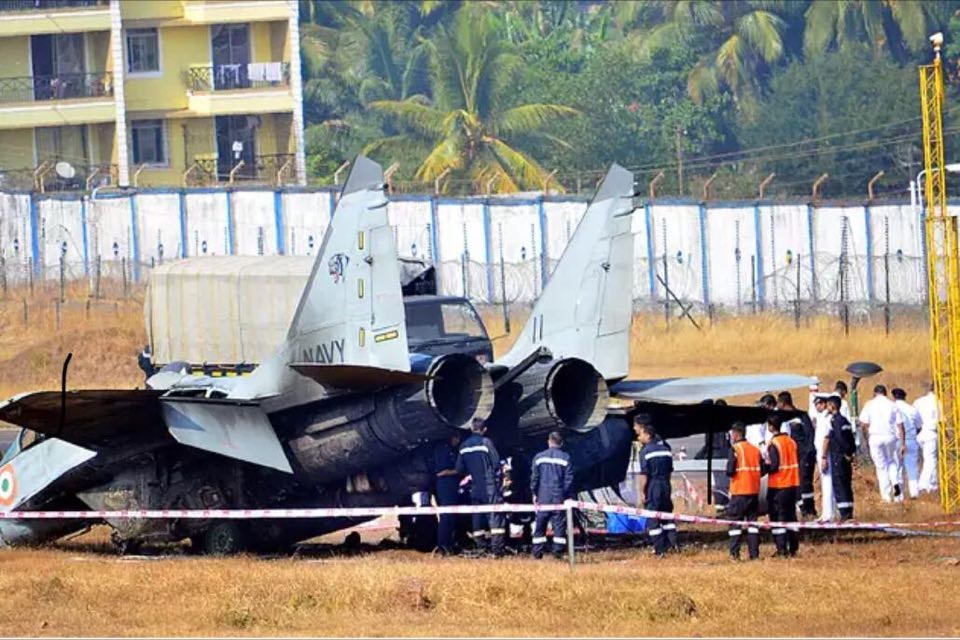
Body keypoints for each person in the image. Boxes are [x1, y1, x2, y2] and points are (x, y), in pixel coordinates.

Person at [455, 419, 506, 556]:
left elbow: (459, 468)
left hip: (475, 486)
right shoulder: (486, 442)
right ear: (484, 430)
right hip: (489, 486)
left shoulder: (463, 446)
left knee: (477, 515)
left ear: (471, 429)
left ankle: (481, 545)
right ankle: (497, 549)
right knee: (494, 515)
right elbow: (496, 463)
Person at [634, 414, 678, 556]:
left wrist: (641, 492)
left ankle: (660, 549)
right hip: (666, 484)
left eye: (639, 433)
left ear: (645, 432)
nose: (638, 437)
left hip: (653, 486)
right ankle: (672, 544)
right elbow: (670, 471)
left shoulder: (645, 452)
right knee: (667, 516)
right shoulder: (666, 449)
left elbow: (644, 474)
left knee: (653, 518)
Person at [530, 431, 574, 559]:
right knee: (559, 525)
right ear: (561, 443)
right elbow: (569, 479)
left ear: (549, 442)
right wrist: (564, 494)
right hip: (558, 497)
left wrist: (534, 493)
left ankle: (537, 552)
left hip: (543, 496)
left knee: (540, 525)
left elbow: (534, 477)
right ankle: (558, 552)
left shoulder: (539, 457)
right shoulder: (565, 458)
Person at [858, 385, 905, 503]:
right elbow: (900, 425)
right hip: (890, 437)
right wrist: (903, 443)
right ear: (885, 393)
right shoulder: (892, 405)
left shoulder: (869, 404)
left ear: (875, 393)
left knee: (881, 467)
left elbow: (863, 424)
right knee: (892, 461)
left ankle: (886, 496)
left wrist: (866, 438)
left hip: (875, 437)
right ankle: (895, 484)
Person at [725, 422, 763, 561]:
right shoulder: (755, 449)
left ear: (736, 434)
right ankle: (754, 554)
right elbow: (763, 467)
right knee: (752, 524)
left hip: (739, 490)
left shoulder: (735, 449)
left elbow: (730, 470)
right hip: (753, 491)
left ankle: (734, 554)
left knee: (735, 523)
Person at [764, 414, 800, 557]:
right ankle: (793, 547)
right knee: (791, 517)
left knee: (778, 517)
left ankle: (781, 549)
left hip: (779, 485)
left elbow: (774, 466)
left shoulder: (774, 444)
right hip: (793, 484)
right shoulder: (791, 442)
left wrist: (763, 468)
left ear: (771, 427)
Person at [778, 391, 817, 518]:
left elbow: (810, 434)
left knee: (805, 482)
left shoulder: (801, 416)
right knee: (796, 483)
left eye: (778, 403)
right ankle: (802, 508)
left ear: (783, 403)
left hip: (804, 455)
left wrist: (808, 453)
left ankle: (809, 509)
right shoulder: (783, 419)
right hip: (792, 457)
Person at [825, 395, 856, 520]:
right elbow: (851, 439)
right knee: (846, 483)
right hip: (845, 457)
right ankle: (848, 511)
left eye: (828, 405)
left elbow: (840, 439)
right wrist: (851, 453)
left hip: (838, 456)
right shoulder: (845, 421)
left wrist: (845, 453)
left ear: (832, 406)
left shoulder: (835, 421)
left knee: (839, 484)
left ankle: (844, 514)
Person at [432, 433, 462, 555]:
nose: (458, 441)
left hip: (452, 486)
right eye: (457, 438)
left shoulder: (452, 451)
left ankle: (449, 543)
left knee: (451, 517)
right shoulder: (443, 450)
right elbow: (440, 472)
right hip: (445, 486)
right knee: (446, 517)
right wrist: (458, 471)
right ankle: (443, 545)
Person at [892, 388, 922, 499]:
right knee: (912, 468)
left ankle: (898, 496)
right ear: (905, 397)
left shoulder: (892, 408)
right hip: (910, 440)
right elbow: (919, 426)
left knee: (896, 468)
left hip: (895, 441)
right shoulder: (912, 409)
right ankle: (914, 493)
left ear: (894, 397)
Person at [810, 394, 836, 522]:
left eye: (818, 403)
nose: (816, 406)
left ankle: (828, 514)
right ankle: (826, 513)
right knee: (824, 483)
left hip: (825, 453)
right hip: (820, 452)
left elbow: (826, 438)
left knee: (827, 483)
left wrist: (824, 457)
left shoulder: (828, 417)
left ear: (825, 403)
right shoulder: (821, 417)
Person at [914, 384, 940, 494]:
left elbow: (914, 418)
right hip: (931, 433)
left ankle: (932, 484)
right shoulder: (937, 402)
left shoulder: (918, 401)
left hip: (920, 434)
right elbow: (941, 421)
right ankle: (923, 484)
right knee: (931, 460)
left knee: (929, 458)